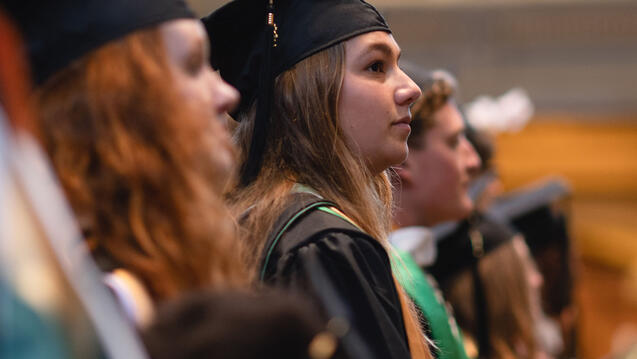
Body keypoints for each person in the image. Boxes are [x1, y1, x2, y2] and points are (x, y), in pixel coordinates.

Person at [203, 0, 429, 358]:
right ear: (299, 98)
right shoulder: (324, 245)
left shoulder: (265, 224)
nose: (412, 88)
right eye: (375, 66)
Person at [4, 0, 247, 323]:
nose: (228, 94)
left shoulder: (183, 272)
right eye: (191, 65)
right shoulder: (89, 314)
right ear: (115, 109)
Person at [390, 70, 480, 359]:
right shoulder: (386, 277)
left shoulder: (413, 269)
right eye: (454, 143)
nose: (474, 160)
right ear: (403, 158)